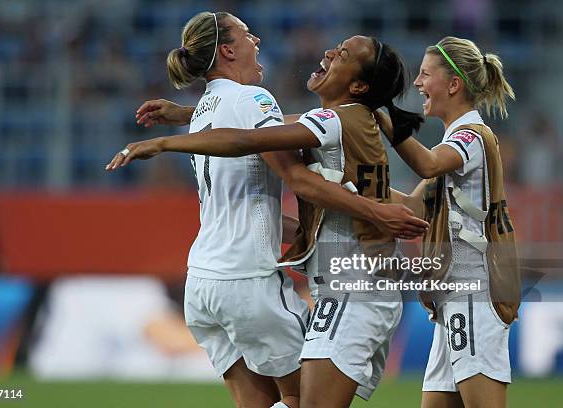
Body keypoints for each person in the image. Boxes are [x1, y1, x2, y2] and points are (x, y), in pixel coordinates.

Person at [108, 33, 425, 407]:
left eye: (341, 55)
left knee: (307, 402)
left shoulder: (334, 121)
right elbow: (265, 125)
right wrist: (188, 114)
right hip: (342, 285)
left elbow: (248, 139)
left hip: (355, 287)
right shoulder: (344, 121)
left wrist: (164, 143)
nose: (327, 52)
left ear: (357, 84)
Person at [377, 36, 519, 408]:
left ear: (453, 84)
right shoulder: (455, 140)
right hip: (450, 299)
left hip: (473, 296)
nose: (419, 83)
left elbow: (427, 164)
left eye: (426, 74)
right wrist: (347, 183)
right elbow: (412, 206)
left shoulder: (470, 138)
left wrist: (381, 113)